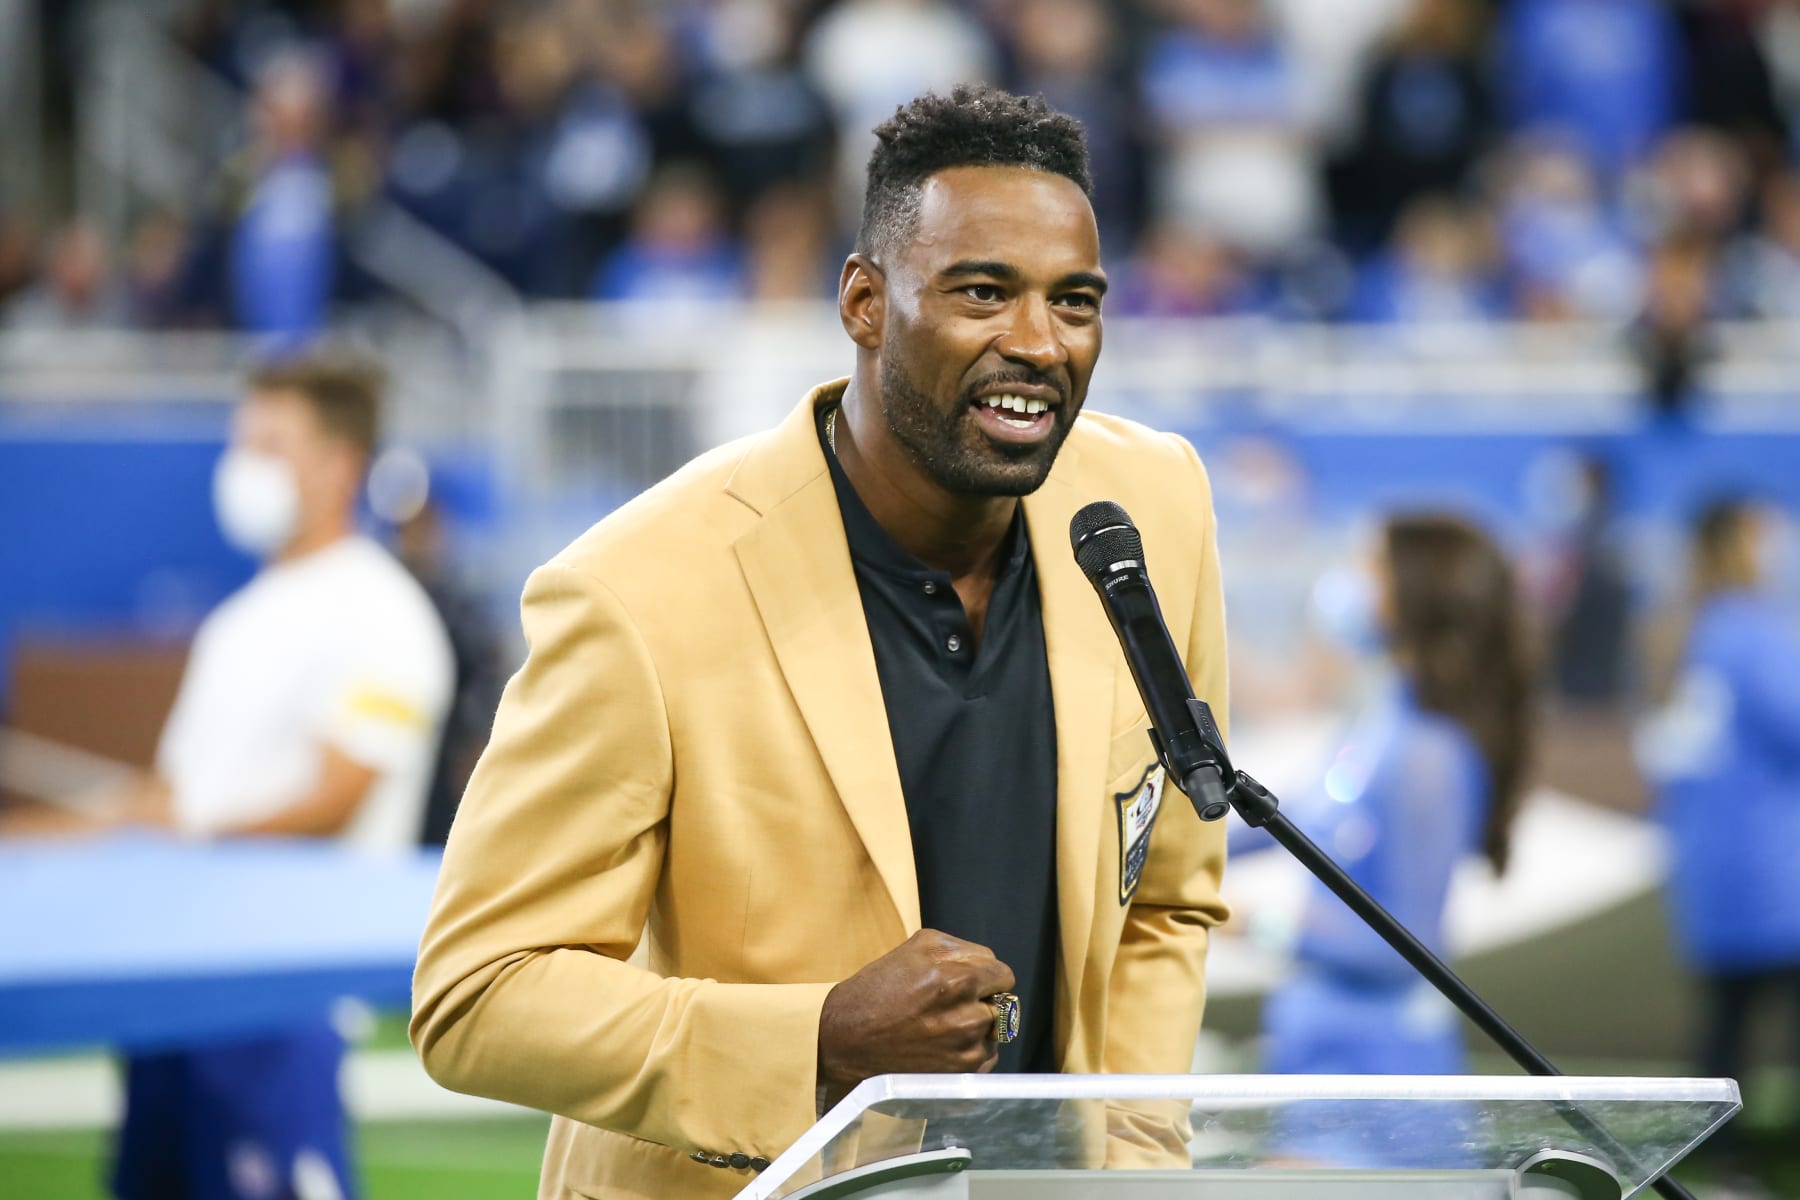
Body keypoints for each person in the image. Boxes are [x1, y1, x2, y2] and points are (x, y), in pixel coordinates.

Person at [412, 85, 1232, 1199]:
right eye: (982, 292)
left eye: (1075, 302)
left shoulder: (1152, 509)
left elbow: (1168, 898)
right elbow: (477, 994)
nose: (1038, 343)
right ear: (864, 302)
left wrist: (1125, 1169)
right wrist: (816, 1042)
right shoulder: (640, 590)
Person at [6, 354, 456, 1199]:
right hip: (172, 988)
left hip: (275, 993)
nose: (244, 465)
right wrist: (29, 843)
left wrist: (190, 834)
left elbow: (337, 794)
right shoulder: (238, 620)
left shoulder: (380, 611)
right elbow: (165, 802)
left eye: (270, 443)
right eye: (241, 441)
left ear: (338, 466)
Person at [1262, 514, 1534, 1079]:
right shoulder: (1376, 721)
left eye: (1370, 565)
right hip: (1317, 1052)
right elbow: (1285, 818)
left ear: (1413, 590)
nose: (1348, 581)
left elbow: (1404, 949)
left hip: (1380, 1072)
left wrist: (1255, 925)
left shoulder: (1428, 757)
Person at [1641, 498, 1800, 1126]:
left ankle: (1719, 1164)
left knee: (1724, 1030)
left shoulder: (1682, 629)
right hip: (1772, 865)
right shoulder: (1754, 633)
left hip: (1712, 865)